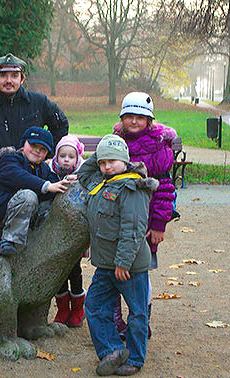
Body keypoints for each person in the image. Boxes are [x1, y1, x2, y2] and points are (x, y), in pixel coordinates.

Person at [78, 134, 157, 376]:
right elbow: (83, 174)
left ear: (124, 159)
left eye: (112, 161)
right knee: (94, 305)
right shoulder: (101, 183)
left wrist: (123, 262)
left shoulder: (132, 187)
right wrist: (102, 149)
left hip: (129, 267)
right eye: (102, 162)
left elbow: (133, 229)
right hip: (105, 265)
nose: (106, 166)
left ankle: (134, 358)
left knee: (137, 313)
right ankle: (112, 350)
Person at [113, 92, 177, 341]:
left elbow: (164, 189)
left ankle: (140, 317)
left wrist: (160, 223)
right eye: (129, 116)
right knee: (112, 269)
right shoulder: (117, 141)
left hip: (146, 222)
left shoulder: (158, 146)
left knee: (140, 273)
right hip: (118, 219)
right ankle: (115, 318)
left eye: (140, 117)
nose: (134, 121)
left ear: (149, 120)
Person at [0, 53, 69, 182]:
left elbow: (61, 125)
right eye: (3, 75)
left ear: (22, 79)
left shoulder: (39, 103)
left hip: (34, 181)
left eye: (14, 75)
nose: (9, 81)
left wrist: (46, 153)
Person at [0, 126, 70, 256]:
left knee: (52, 201)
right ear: (23, 145)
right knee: (29, 195)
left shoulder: (43, 168)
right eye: (33, 145)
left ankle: (42, 238)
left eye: (42, 149)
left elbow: (54, 184)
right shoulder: (9, 159)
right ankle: (8, 241)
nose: (37, 151)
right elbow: (18, 176)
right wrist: (45, 185)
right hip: (3, 214)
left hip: (29, 217)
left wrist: (67, 181)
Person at [50, 135, 87, 328]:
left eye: (70, 156)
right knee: (59, 272)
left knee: (74, 269)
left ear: (77, 158)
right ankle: (63, 308)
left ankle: (78, 308)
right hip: (56, 232)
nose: (66, 159)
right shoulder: (50, 173)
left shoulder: (83, 176)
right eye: (62, 155)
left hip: (74, 234)